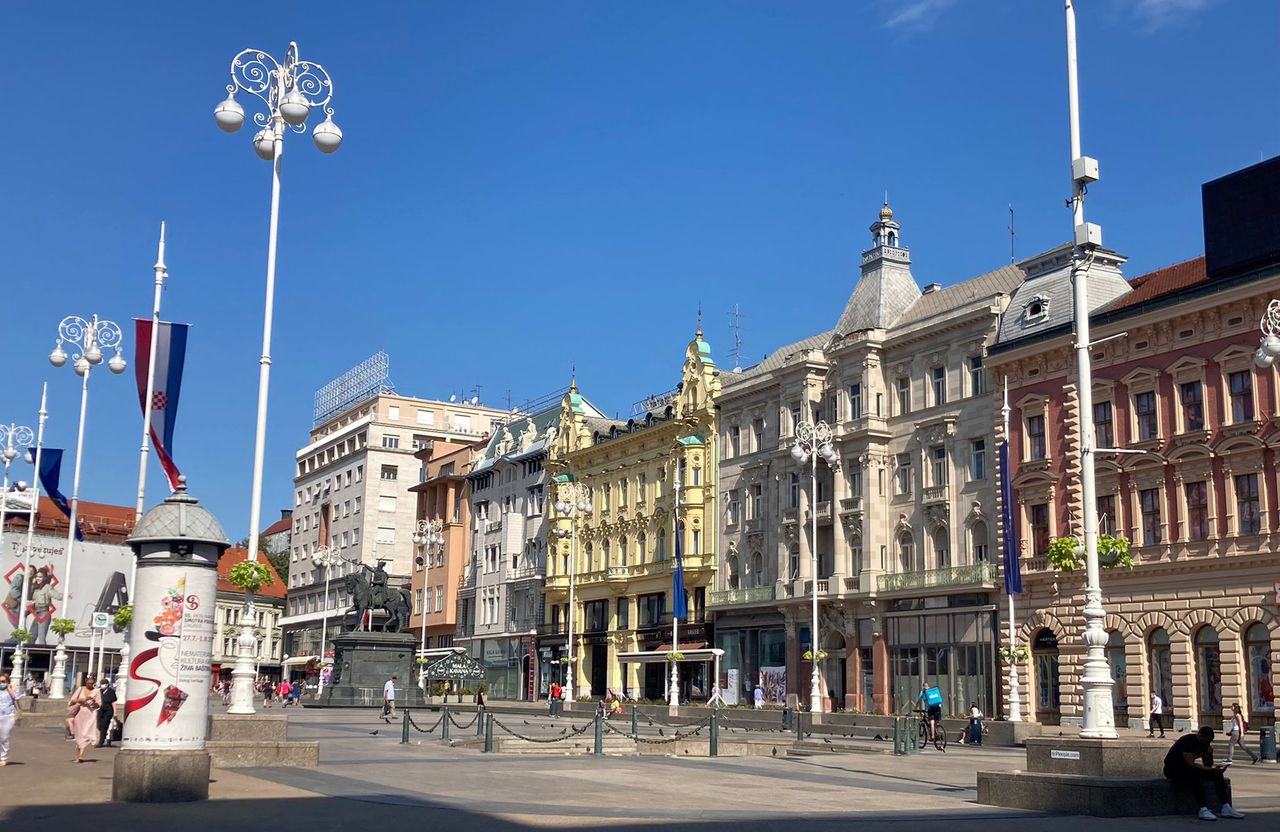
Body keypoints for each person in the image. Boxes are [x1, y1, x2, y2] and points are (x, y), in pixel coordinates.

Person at [1163, 726, 1244, 820]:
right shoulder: (1188, 741)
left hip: (1188, 769)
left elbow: (1208, 764)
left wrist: (1209, 753)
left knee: (1217, 774)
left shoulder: (1204, 744)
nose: (1207, 743)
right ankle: (1202, 809)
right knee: (1197, 775)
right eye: (1206, 741)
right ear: (1200, 735)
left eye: (1209, 741)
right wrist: (1210, 769)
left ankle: (1225, 807)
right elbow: (1190, 763)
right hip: (1173, 769)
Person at [67, 677, 101, 763]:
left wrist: (93, 702)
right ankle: (78, 756)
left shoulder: (96, 691)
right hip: (79, 714)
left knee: (85, 734)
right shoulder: (80, 689)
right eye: (88, 683)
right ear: (85, 682)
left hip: (90, 715)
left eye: (92, 684)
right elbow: (71, 701)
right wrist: (81, 700)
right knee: (79, 735)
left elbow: (99, 705)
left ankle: (81, 756)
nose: (90, 685)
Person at [0, 672, 21, 766]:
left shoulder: (12, 691)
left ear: (8, 682)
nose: (1, 683)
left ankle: (3, 757)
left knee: (4, 737)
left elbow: (16, 697)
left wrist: (9, 688)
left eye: (3, 681)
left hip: (8, 717)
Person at [95, 677, 117, 748]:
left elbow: (113, 702)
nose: (102, 685)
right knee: (99, 725)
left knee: (105, 725)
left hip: (108, 710)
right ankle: (102, 738)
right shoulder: (99, 691)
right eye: (102, 684)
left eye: (104, 684)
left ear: (107, 684)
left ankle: (101, 742)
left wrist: (115, 713)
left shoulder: (111, 691)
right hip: (100, 710)